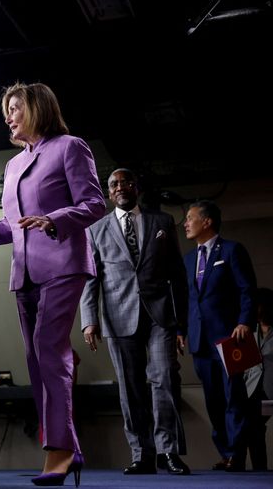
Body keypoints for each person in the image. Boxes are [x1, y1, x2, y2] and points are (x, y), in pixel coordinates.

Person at [0, 82, 104, 486]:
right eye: (6, 109)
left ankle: (60, 449)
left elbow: (94, 203)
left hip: (62, 264)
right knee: (36, 359)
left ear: (37, 108)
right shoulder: (13, 166)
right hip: (24, 271)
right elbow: (10, 225)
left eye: (15, 107)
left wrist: (55, 219)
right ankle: (64, 447)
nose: (8, 116)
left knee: (50, 351)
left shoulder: (70, 147)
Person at [80, 168, 190, 475]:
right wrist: (89, 320)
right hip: (117, 317)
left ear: (136, 186)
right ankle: (142, 453)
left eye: (125, 181)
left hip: (160, 316)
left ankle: (167, 452)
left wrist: (182, 324)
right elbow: (90, 279)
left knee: (165, 378)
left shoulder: (162, 222)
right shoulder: (95, 229)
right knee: (130, 388)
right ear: (108, 191)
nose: (120, 187)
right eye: (113, 184)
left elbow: (178, 276)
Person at [183, 200, 257, 471]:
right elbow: (187, 299)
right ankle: (225, 452)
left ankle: (237, 454)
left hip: (229, 338)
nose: (186, 223)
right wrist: (182, 330)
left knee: (233, 397)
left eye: (190, 218)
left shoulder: (232, 250)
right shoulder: (189, 259)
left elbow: (247, 289)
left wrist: (244, 322)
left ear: (207, 221)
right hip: (199, 339)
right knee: (213, 400)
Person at [245, 287, 273, 470]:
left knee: (256, 428)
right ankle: (259, 470)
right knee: (254, 429)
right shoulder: (248, 329)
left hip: (271, 385)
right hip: (253, 386)